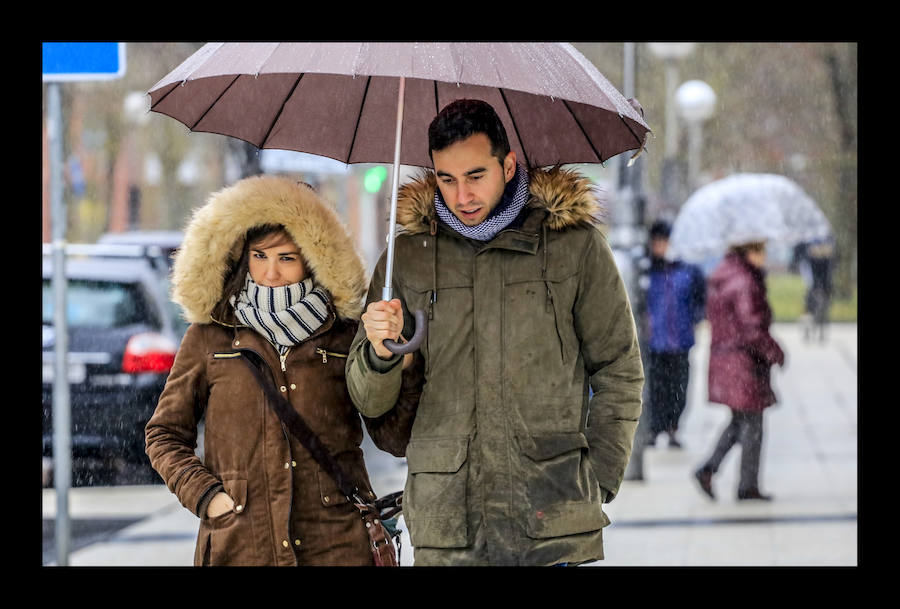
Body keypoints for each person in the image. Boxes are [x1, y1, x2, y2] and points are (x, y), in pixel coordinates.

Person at [345, 99, 644, 566]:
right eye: (446, 179)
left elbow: (619, 368)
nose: (460, 195)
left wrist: (599, 477)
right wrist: (380, 354)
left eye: (475, 176)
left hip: (552, 523)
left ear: (508, 165)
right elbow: (370, 403)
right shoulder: (406, 260)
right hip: (448, 527)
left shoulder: (574, 246)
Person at [145, 174, 413, 566]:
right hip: (242, 546)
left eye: (286, 258)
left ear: (313, 259)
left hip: (336, 546)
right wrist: (207, 496)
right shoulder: (211, 337)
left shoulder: (344, 335)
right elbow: (164, 434)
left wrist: (394, 361)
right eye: (260, 256)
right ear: (243, 256)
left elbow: (392, 435)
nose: (270, 273)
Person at [693, 240, 785, 502]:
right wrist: (775, 351)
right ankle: (746, 486)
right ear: (750, 251)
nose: (765, 257)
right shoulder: (744, 280)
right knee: (753, 423)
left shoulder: (726, 273)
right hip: (744, 363)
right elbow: (751, 327)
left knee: (741, 421)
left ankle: (709, 470)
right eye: (762, 251)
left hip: (728, 360)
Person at [643, 220, 706, 448]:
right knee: (654, 388)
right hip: (654, 342)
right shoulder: (646, 271)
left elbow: (700, 299)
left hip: (680, 341)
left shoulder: (688, 271)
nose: (661, 246)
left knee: (678, 387)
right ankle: (653, 428)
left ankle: (673, 427)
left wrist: (696, 320)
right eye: (657, 241)